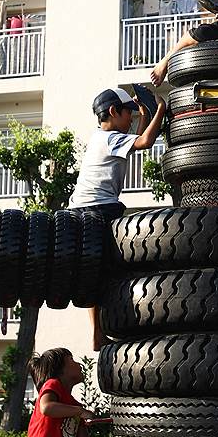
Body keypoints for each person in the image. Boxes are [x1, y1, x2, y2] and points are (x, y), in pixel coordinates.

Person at [69, 86, 167, 351]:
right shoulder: (110, 138)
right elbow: (145, 142)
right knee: (116, 266)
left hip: (80, 211)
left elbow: (137, 137)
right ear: (113, 111)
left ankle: (96, 332)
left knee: (93, 271)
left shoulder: (101, 138)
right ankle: (112, 325)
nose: (131, 119)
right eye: (128, 114)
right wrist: (160, 111)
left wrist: (143, 115)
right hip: (99, 210)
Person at [23, 348, 95, 437]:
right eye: (72, 359)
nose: (79, 364)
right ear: (60, 369)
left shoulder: (74, 406)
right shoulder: (52, 384)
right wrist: (80, 411)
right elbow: (46, 408)